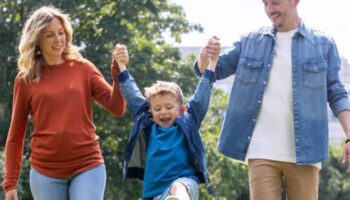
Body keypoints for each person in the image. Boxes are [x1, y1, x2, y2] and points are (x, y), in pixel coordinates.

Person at [195, 0, 350, 199]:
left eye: (275, 2)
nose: (269, 10)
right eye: (265, 3)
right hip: (261, 150)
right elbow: (213, 71)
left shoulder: (323, 45)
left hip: (306, 152)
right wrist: (205, 57)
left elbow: (336, 93)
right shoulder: (250, 41)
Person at [2, 6, 127, 200]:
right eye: (50, 35)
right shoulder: (26, 79)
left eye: (61, 33)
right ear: (37, 40)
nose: (59, 40)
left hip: (87, 165)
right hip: (45, 172)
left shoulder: (83, 68)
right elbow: (16, 134)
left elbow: (117, 108)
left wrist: (118, 73)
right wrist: (10, 182)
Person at [113, 43, 218, 200]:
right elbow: (133, 94)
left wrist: (213, 63)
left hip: (185, 183)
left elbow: (202, 96)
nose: (163, 112)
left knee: (178, 187)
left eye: (169, 107)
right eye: (158, 109)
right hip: (153, 194)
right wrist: (121, 65)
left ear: (181, 109)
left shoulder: (188, 121)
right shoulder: (147, 124)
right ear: (151, 112)